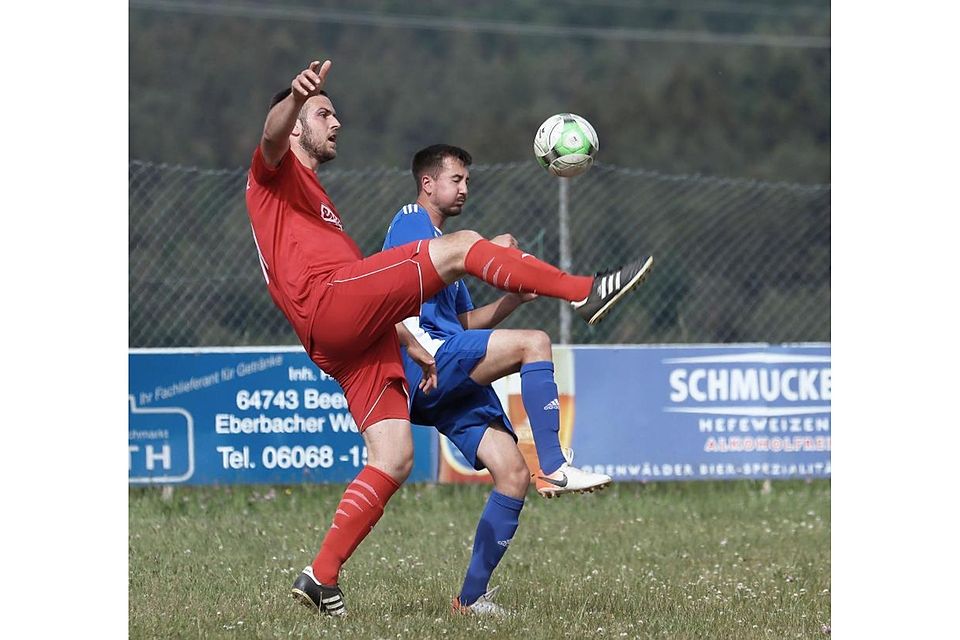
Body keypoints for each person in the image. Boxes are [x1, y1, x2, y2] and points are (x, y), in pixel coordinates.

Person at [244, 59, 654, 617]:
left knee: (393, 458)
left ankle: (321, 575)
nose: (336, 122)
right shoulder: (274, 173)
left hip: (351, 341)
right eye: (324, 113)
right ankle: (582, 292)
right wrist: (294, 96)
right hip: (327, 304)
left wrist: (411, 344)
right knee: (465, 249)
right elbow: (269, 137)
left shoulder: (316, 200)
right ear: (295, 124)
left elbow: (400, 308)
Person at [381, 144, 620, 615]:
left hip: (448, 367)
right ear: (428, 184)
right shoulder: (411, 220)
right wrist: (489, 247)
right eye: (456, 180)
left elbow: (466, 323)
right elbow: (401, 293)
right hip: (428, 361)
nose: (464, 188)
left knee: (511, 475)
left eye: (467, 180)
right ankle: (553, 464)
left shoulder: (443, 258)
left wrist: (513, 299)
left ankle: (469, 600)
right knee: (535, 342)